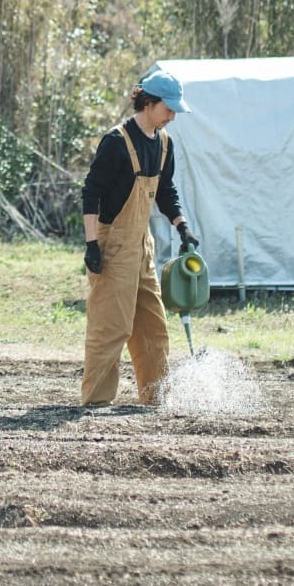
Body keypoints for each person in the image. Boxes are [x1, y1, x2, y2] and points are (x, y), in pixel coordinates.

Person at [79, 68, 198, 406]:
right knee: (111, 327)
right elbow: (91, 193)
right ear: (149, 102)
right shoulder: (116, 142)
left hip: (143, 247)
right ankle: (96, 402)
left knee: (153, 328)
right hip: (113, 246)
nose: (172, 116)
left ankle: (154, 399)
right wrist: (92, 244)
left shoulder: (164, 144)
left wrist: (182, 227)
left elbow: (166, 191)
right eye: (168, 108)